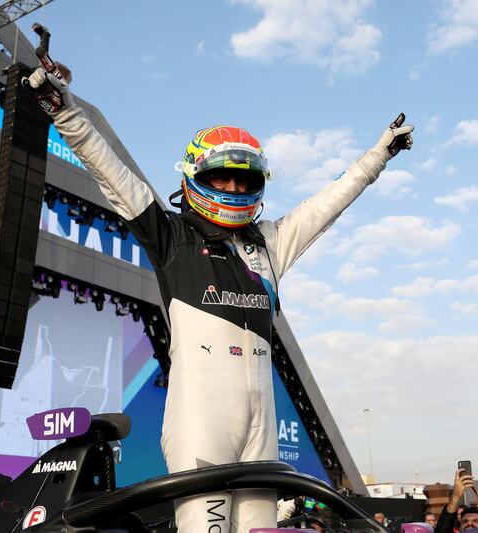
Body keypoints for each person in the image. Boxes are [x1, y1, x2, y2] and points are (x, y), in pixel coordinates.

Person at [24, 59, 413, 533]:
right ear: (194, 177)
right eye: (221, 178)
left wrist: (379, 155)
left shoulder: (268, 243)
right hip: (201, 423)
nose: (234, 188)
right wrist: (63, 111)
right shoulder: (170, 236)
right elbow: (110, 171)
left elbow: (328, 203)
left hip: (261, 432)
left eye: (245, 181)